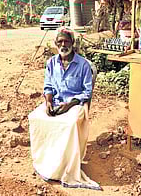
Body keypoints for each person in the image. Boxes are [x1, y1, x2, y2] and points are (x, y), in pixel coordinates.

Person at [28, 27, 100, 190]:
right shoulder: (51, 63)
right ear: (55, 43)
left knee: (70, 123)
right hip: (56, 101)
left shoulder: (83, 65)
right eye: (59, 41)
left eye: (66, 41)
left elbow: (87, 92)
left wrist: (70, 105)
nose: (63, 44)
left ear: (73, 43)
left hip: (76, 103)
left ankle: (67, 167)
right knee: (36, 117)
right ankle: (48, 163)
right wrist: (48, 102)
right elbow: (48, 86)